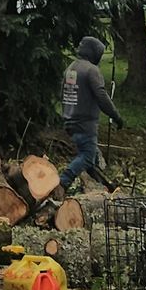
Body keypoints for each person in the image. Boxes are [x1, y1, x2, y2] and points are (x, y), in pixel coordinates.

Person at [58, 34, 123, 192]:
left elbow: (62, 93)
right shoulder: (91, 70)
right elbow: (101, 96)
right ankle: (62, 182)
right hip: (85, 122)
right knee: (87, 156)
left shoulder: (71, 68)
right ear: (94, 53)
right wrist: (116, 116)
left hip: (70, 120)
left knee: (92, 159)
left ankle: (103, 187)